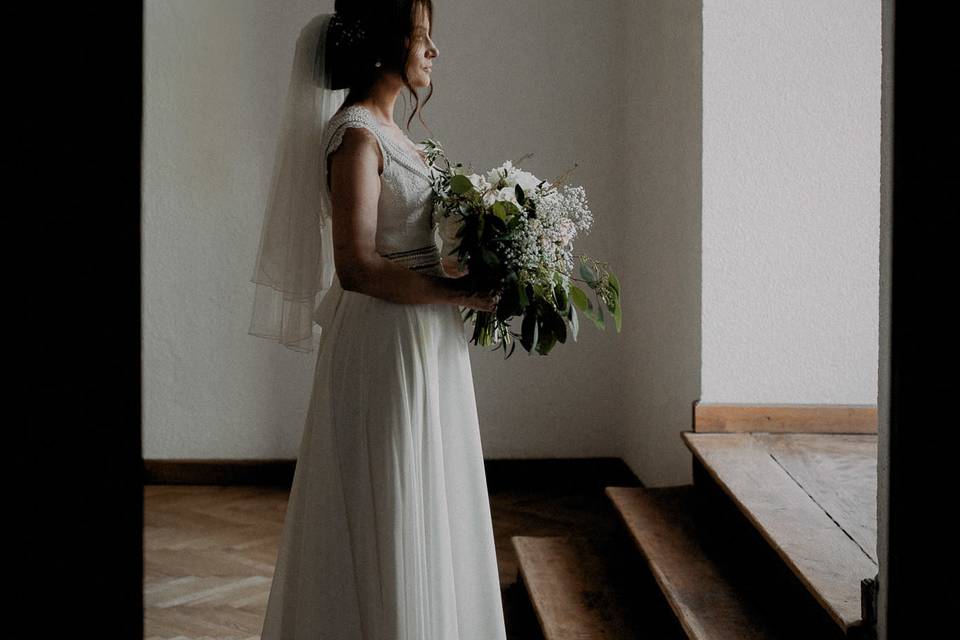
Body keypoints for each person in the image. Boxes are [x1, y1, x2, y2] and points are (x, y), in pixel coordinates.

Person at [251, 1, 508, 638]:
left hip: (424, 337)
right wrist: (456, 292)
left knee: (428, 495)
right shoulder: (357, 135)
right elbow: (357, 266)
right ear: (388, 42)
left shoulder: (394, 133)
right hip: (384, 342)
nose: (433, 51)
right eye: (423, 36)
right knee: (390, 500)